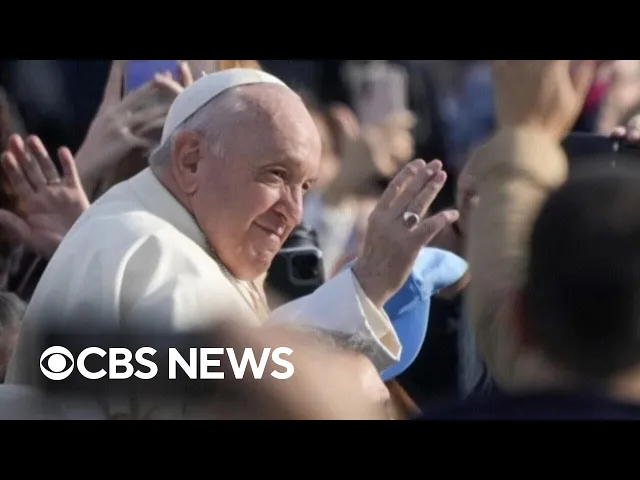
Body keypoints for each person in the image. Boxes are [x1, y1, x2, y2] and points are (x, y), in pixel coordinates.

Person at [6, 68, 458, 419]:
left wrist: (366, 285)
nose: (294, 211)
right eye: (275, 175)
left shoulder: (170, 235)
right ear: (191, 160)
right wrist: (346, 382)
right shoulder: (151, 253)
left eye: (305, 186)